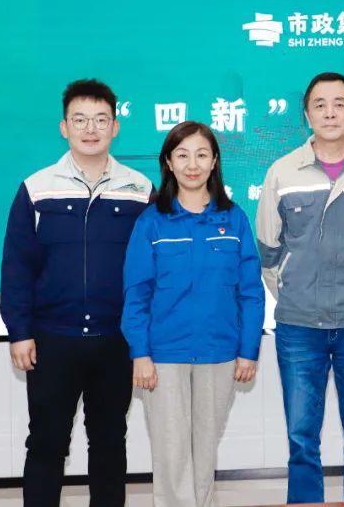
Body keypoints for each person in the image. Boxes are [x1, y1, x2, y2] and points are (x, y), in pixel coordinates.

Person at [0, 78, 153, 506]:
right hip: (52, 339)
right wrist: (19, 332)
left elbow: (150, 272)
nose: (91, 129)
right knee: (47, 442)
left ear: (115, 127)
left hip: (115, 340)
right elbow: (16, 266)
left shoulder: (140, 189)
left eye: (101, 120)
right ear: (64, 127)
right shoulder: (36, 187)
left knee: (109, 442)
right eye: (80, 120)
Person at [255, 72, 344, 503]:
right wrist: (295, 288)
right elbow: (269, 248)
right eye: (320, 104)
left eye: (340, 103)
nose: (330, 112)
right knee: (302, 437)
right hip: (299, 324)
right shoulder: (283, 171)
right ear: (307, 114)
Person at [122, 121, 265, 507]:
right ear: (168, 162)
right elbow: (136, 293)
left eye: (202, 155)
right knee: (171, 453)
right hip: (164, 355)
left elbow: (251, 293)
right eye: (182, 155)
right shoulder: (152, 222)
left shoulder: (234, 219)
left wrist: (248, 350)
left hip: (220, 352)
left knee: (205, 449)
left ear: (214, 161)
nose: (192, 165)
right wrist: (140, 353)